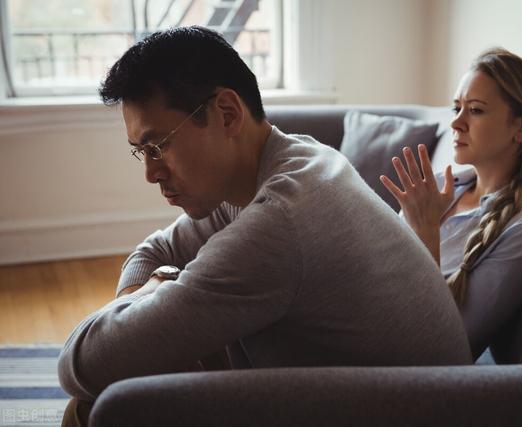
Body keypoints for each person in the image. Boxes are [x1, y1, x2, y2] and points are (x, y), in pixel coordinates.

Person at [58, 26, 471, 425]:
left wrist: (155, 291)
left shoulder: (280, 222)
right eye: (141, 152)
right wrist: (149, 293)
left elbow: (79, 363)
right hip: (392, 395)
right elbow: (155, 252)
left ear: (227, 113)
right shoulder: (296, 160)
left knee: (97, 404)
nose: (150, 172)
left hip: (413, 409)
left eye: (158, 145)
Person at [380, 48, 522, 360]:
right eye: (456, 108)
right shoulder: (438, 186)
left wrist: (426, 233)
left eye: (475, 110)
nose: (456, 124)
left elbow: (446, 348)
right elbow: (379, 265)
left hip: (390, 358)